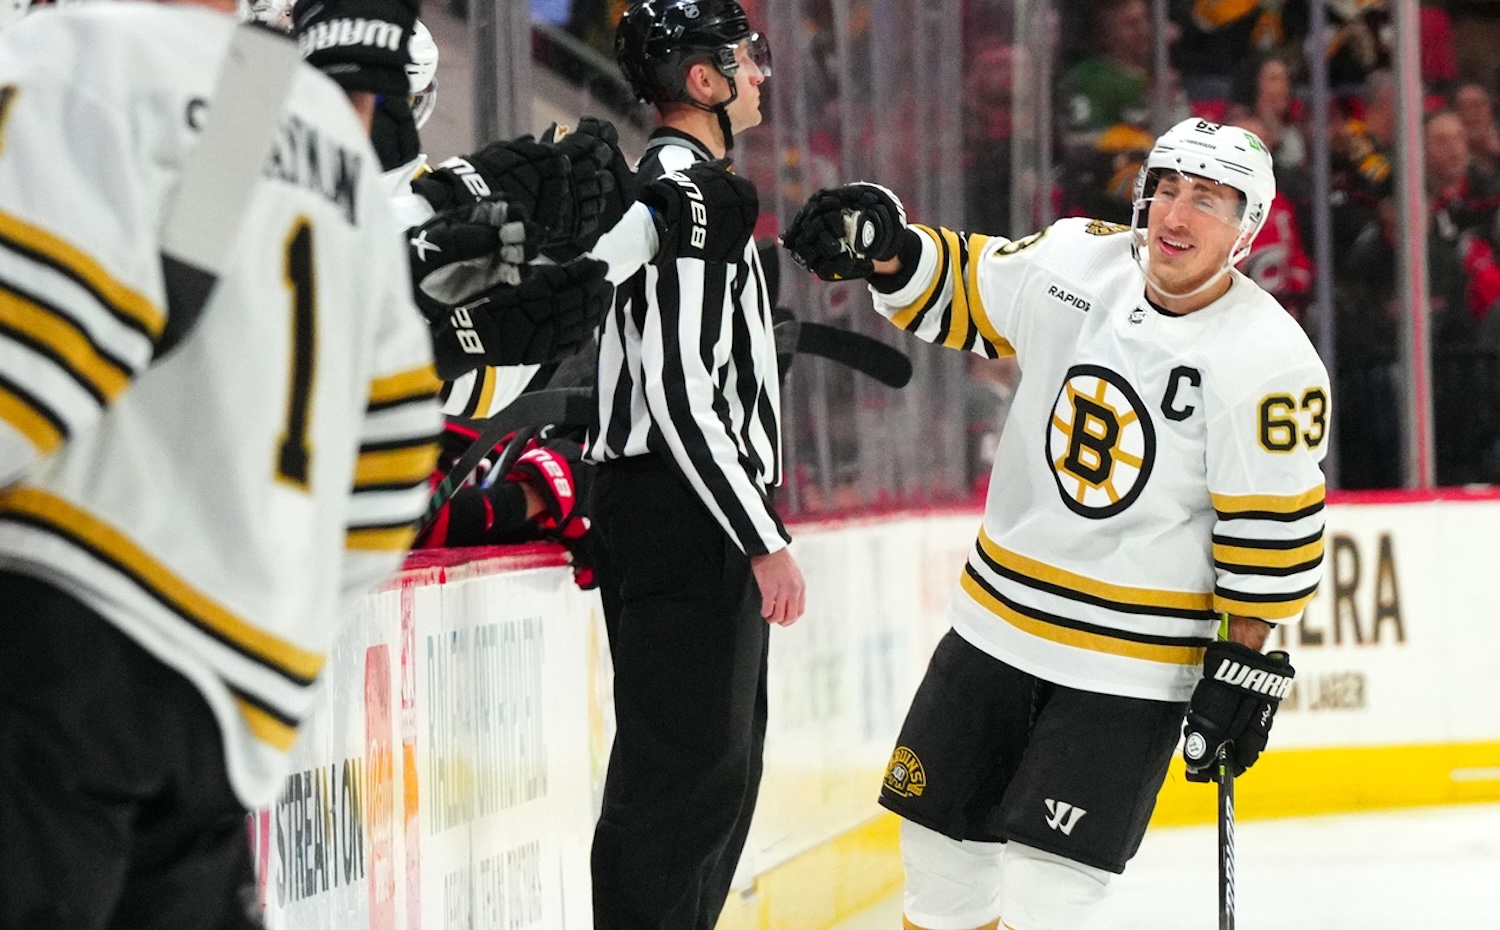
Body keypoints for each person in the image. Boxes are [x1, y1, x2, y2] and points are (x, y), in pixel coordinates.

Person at [783, 118, 1328, 929]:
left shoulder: (1270, 362)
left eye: (1207, 201)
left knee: (1052, 896)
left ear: (1247, 228)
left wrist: (1241, 667)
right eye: (1165, 190)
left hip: (1129, 664)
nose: (1174, 218)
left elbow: (1271, 534)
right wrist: (890, 249)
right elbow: (968, 284)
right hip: (995, 626)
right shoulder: (1078, 259)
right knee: (938, 863)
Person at [0, 0, 441, 926]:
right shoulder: (302, 113)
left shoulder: (76, 55)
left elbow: (29, 358)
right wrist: (270, 601)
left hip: (55, 654)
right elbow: (395, 450)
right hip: (229, 701)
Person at [585, 1, 805, 926]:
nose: (759, 73)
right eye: (744, 60)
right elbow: (680, 391)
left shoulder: (686, 186)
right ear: (704, 83)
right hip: (687, 513)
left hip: (676, 508)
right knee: (687, 785)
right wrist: (762, 537)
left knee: (703, 777)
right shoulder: (690, 196)